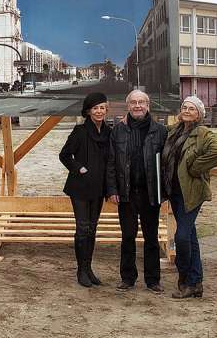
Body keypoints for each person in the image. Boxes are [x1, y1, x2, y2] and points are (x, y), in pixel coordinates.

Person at [161, 96, 217, 299]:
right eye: (184, 107)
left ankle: (186, 279)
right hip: (175, 192)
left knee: (181, 236)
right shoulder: (175, 131)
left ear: (199, 114)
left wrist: (195, 168)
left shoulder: (203, 133)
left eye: (192, 109)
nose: (187, 111)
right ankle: (196, 283)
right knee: (191, 237)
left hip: (192, 192)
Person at [106, 90, 168, 293]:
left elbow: (166, 164)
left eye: (141, 102)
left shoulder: (160, 131)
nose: (137, 106)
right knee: (128, 237)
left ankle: (153, 280)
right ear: (128, 106)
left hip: (151, 193)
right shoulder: (118, 131)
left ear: (148, 105)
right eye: (133, 102)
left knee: (151, 238)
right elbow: (111, 163)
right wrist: (112, 190)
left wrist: (164, 191)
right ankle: (128, 278)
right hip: (126, 193)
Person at [59, 92, 111, 287]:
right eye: (95, 108)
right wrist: (79, 168)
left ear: (106, 110)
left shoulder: (109, 132)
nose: (99, 111)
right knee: (82, 228)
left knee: (92, 229)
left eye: (102, 108)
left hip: (98, 188)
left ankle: (89, 268)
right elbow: (64, 155)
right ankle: (81, 270)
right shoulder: (79, 131)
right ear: (89, 111)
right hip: (80, 187)